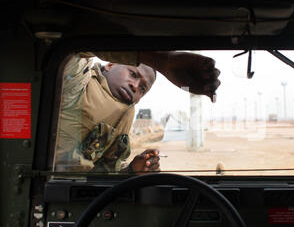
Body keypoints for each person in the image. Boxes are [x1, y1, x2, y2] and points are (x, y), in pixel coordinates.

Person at [55, 51, 221, 173]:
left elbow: (104, 174)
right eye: (133, 74)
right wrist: (162, 61)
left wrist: (132, 171)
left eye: (142, 88)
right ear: (110, 64)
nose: (135, 86)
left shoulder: (125, 116)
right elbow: (78, 47)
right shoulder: (77, 84)